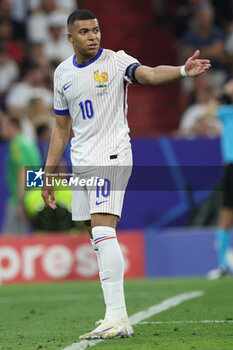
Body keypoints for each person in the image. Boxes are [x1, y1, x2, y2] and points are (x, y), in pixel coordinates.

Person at [41, 9, 210, 340]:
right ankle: (112, 314)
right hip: (82, 160)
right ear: (70, 37)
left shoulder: (116, 62)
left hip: (112, 154)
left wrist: (181, 71)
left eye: (97, 30)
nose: (94, 36)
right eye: (86, 31)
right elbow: (62, 127)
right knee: (95, 234)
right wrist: (50, 171)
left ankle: (117, 316)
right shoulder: (62, 74)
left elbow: (146, 74)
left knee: (103, 228)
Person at [207, 81, 233, 279]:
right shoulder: (226, 112)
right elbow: (209, 110)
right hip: (230, 168)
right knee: (225, 217)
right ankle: (223, 265)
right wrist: (222, 91)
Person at [0, 114, 41, 234]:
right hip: (33, 196)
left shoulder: (17, 144)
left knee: (9, 240)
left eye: (4, 126)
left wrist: (20, 202)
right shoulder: (27, 142)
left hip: (22, 199)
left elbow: (23, 172)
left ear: (14, 127)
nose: (1, 129)